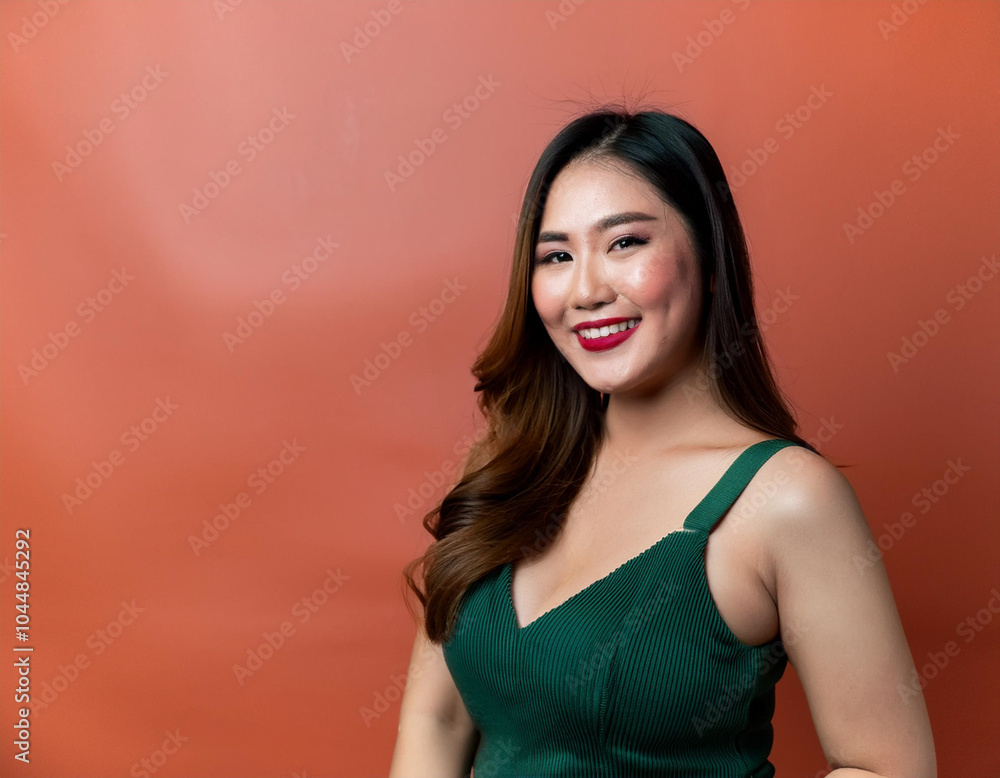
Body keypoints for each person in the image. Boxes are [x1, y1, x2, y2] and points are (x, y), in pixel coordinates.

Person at [388, 105, 936, 777]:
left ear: (709, 258)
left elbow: (888, 769)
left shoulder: (786, 499)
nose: (586, 290)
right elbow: (436, 718)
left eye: (625, 243)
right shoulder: (508, 467)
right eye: (556, 256)